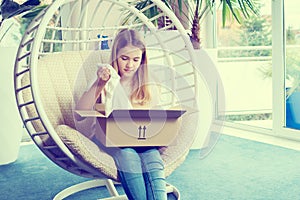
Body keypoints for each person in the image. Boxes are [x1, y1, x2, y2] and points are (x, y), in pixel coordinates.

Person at [75, 29, 167, 200]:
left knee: (152, 157)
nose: (130, 65)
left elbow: (154, 118)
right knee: (128, 155)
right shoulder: (105, 78)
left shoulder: (147, 83)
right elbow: (80, 112)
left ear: (142, 59)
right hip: (109, 139)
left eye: (135, 59)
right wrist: (100, 83)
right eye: (124, 58)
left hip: (140, 140)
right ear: (115, 54)